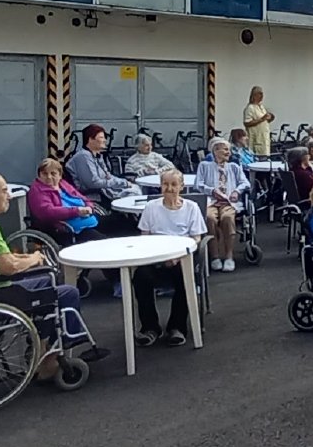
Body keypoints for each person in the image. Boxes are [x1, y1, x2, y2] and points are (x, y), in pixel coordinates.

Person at [0, 171, 97, 371]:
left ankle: (41, 342)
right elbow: (9, 267)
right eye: (4, 191)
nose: (9, 196)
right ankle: (48, 357)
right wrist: (34, 259)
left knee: (46, 281)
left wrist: (28, 258)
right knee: (67, 292)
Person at [132, 168, 205, 348]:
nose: (169, 188)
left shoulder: (191, 208)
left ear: (182, 186)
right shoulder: (151, 207)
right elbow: (145, 236)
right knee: (140, 277)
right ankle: (150, 328)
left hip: (181, 257)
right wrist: (157, 257)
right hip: (155, 258)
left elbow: (196, 238)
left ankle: (177, 327)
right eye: (165, 184)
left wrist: (178, 256)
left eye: (174, 184)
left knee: (184, 277)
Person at [194, 138, 250, 272]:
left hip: (229, 202)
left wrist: (237, 191)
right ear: (215, 150)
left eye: (228, 150)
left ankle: (229, 257)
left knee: (227, 218)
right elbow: (198, 184)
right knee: (209, 218)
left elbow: (245, 183)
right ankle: (215, 257)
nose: (228, 152)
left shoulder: (234, 167)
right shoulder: (204, 166)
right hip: (211, 202)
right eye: (225, 149)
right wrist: (212, 191)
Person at [67, 124, 137, 226]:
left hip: (105, 192)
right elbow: (94, 182)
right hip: (93, 196)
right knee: (132, 194)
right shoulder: (83, 156)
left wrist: (123, 182)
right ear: (90, 139)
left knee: (135, 190)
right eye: (101, 137)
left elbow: (107, 176)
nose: (105, 140)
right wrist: (122, 183)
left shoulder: (97, 156)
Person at [28, 157, 100, 244]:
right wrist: (77, 211)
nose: (49, 177)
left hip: (88, 218)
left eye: (53, 173)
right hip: (66, 228)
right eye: (45, 173)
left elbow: (83, 198)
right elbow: (47, 212)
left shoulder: (63, 184)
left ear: (60, 175)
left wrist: (89, 206)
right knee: (102, 240)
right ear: (39, 175)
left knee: (114, 223)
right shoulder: (37, 190)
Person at [243, 87, 275, 156]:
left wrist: (270, 117)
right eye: (260, 94)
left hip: (264, 138)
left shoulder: (261, 107)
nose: (262, 96)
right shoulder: (250, 108)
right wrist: (262, 119)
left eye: (262, 94)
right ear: (254, 95)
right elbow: (247, 123)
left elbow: (265, 120)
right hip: (256, 140)